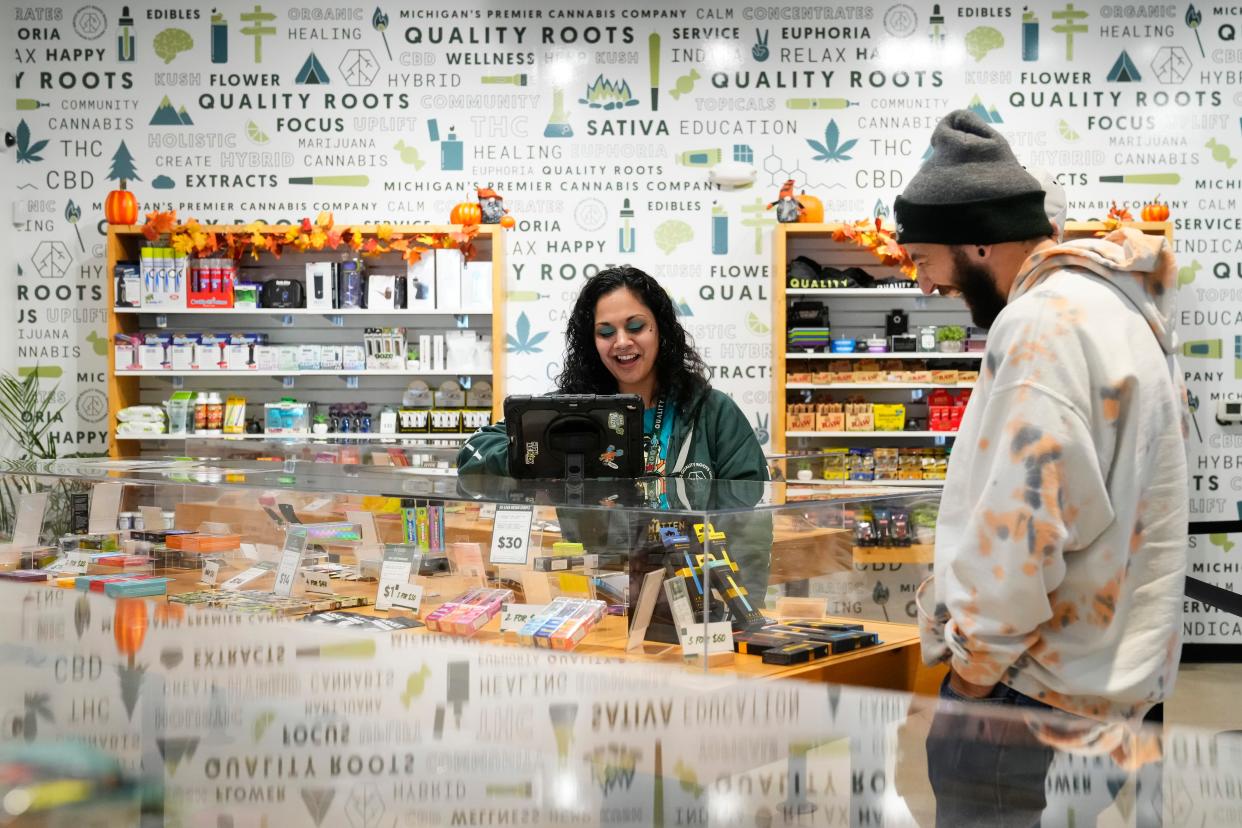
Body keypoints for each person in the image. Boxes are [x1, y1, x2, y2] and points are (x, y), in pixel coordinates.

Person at [895, 110, 1187, 819]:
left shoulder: (1038, 326)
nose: (926, 284)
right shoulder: (1118, 310)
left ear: (978, 243)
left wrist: (972, 677)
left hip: (1028, 700)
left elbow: (1021, 533)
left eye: (924, 258)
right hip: (1106, 685)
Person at [458, 265, 768, 483]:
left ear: (661, 330)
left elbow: (752, 506)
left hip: (691, 570)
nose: (622, 342)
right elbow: (472, 455)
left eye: (635, 327)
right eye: (606, 332)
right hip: (596, 572)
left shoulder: (712, 411)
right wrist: (542, 452)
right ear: (591, 343)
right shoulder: (564, 409)